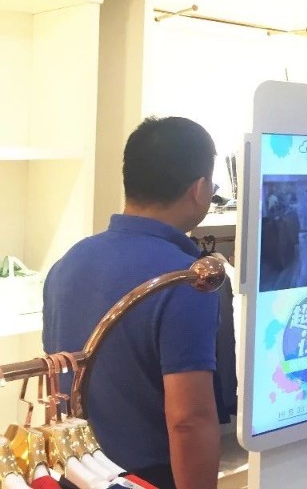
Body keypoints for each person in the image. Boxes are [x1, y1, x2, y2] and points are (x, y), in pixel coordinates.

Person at [43, 117, 221, 489]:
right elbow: (189, 420)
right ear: (200, 189)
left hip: (74, 472)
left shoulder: (68, 262)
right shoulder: (188, 280)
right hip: (146, 478)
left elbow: (57, 378)